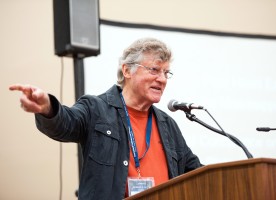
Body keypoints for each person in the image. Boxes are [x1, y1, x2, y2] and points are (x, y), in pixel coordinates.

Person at [9, 38, 202, 200]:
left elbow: (196, 173)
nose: (162, 79)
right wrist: (48, 108)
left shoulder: (167, 124)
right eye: (154, 70)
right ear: (127, 71)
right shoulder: (96, 109)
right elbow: (66, 123)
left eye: (166, 73)